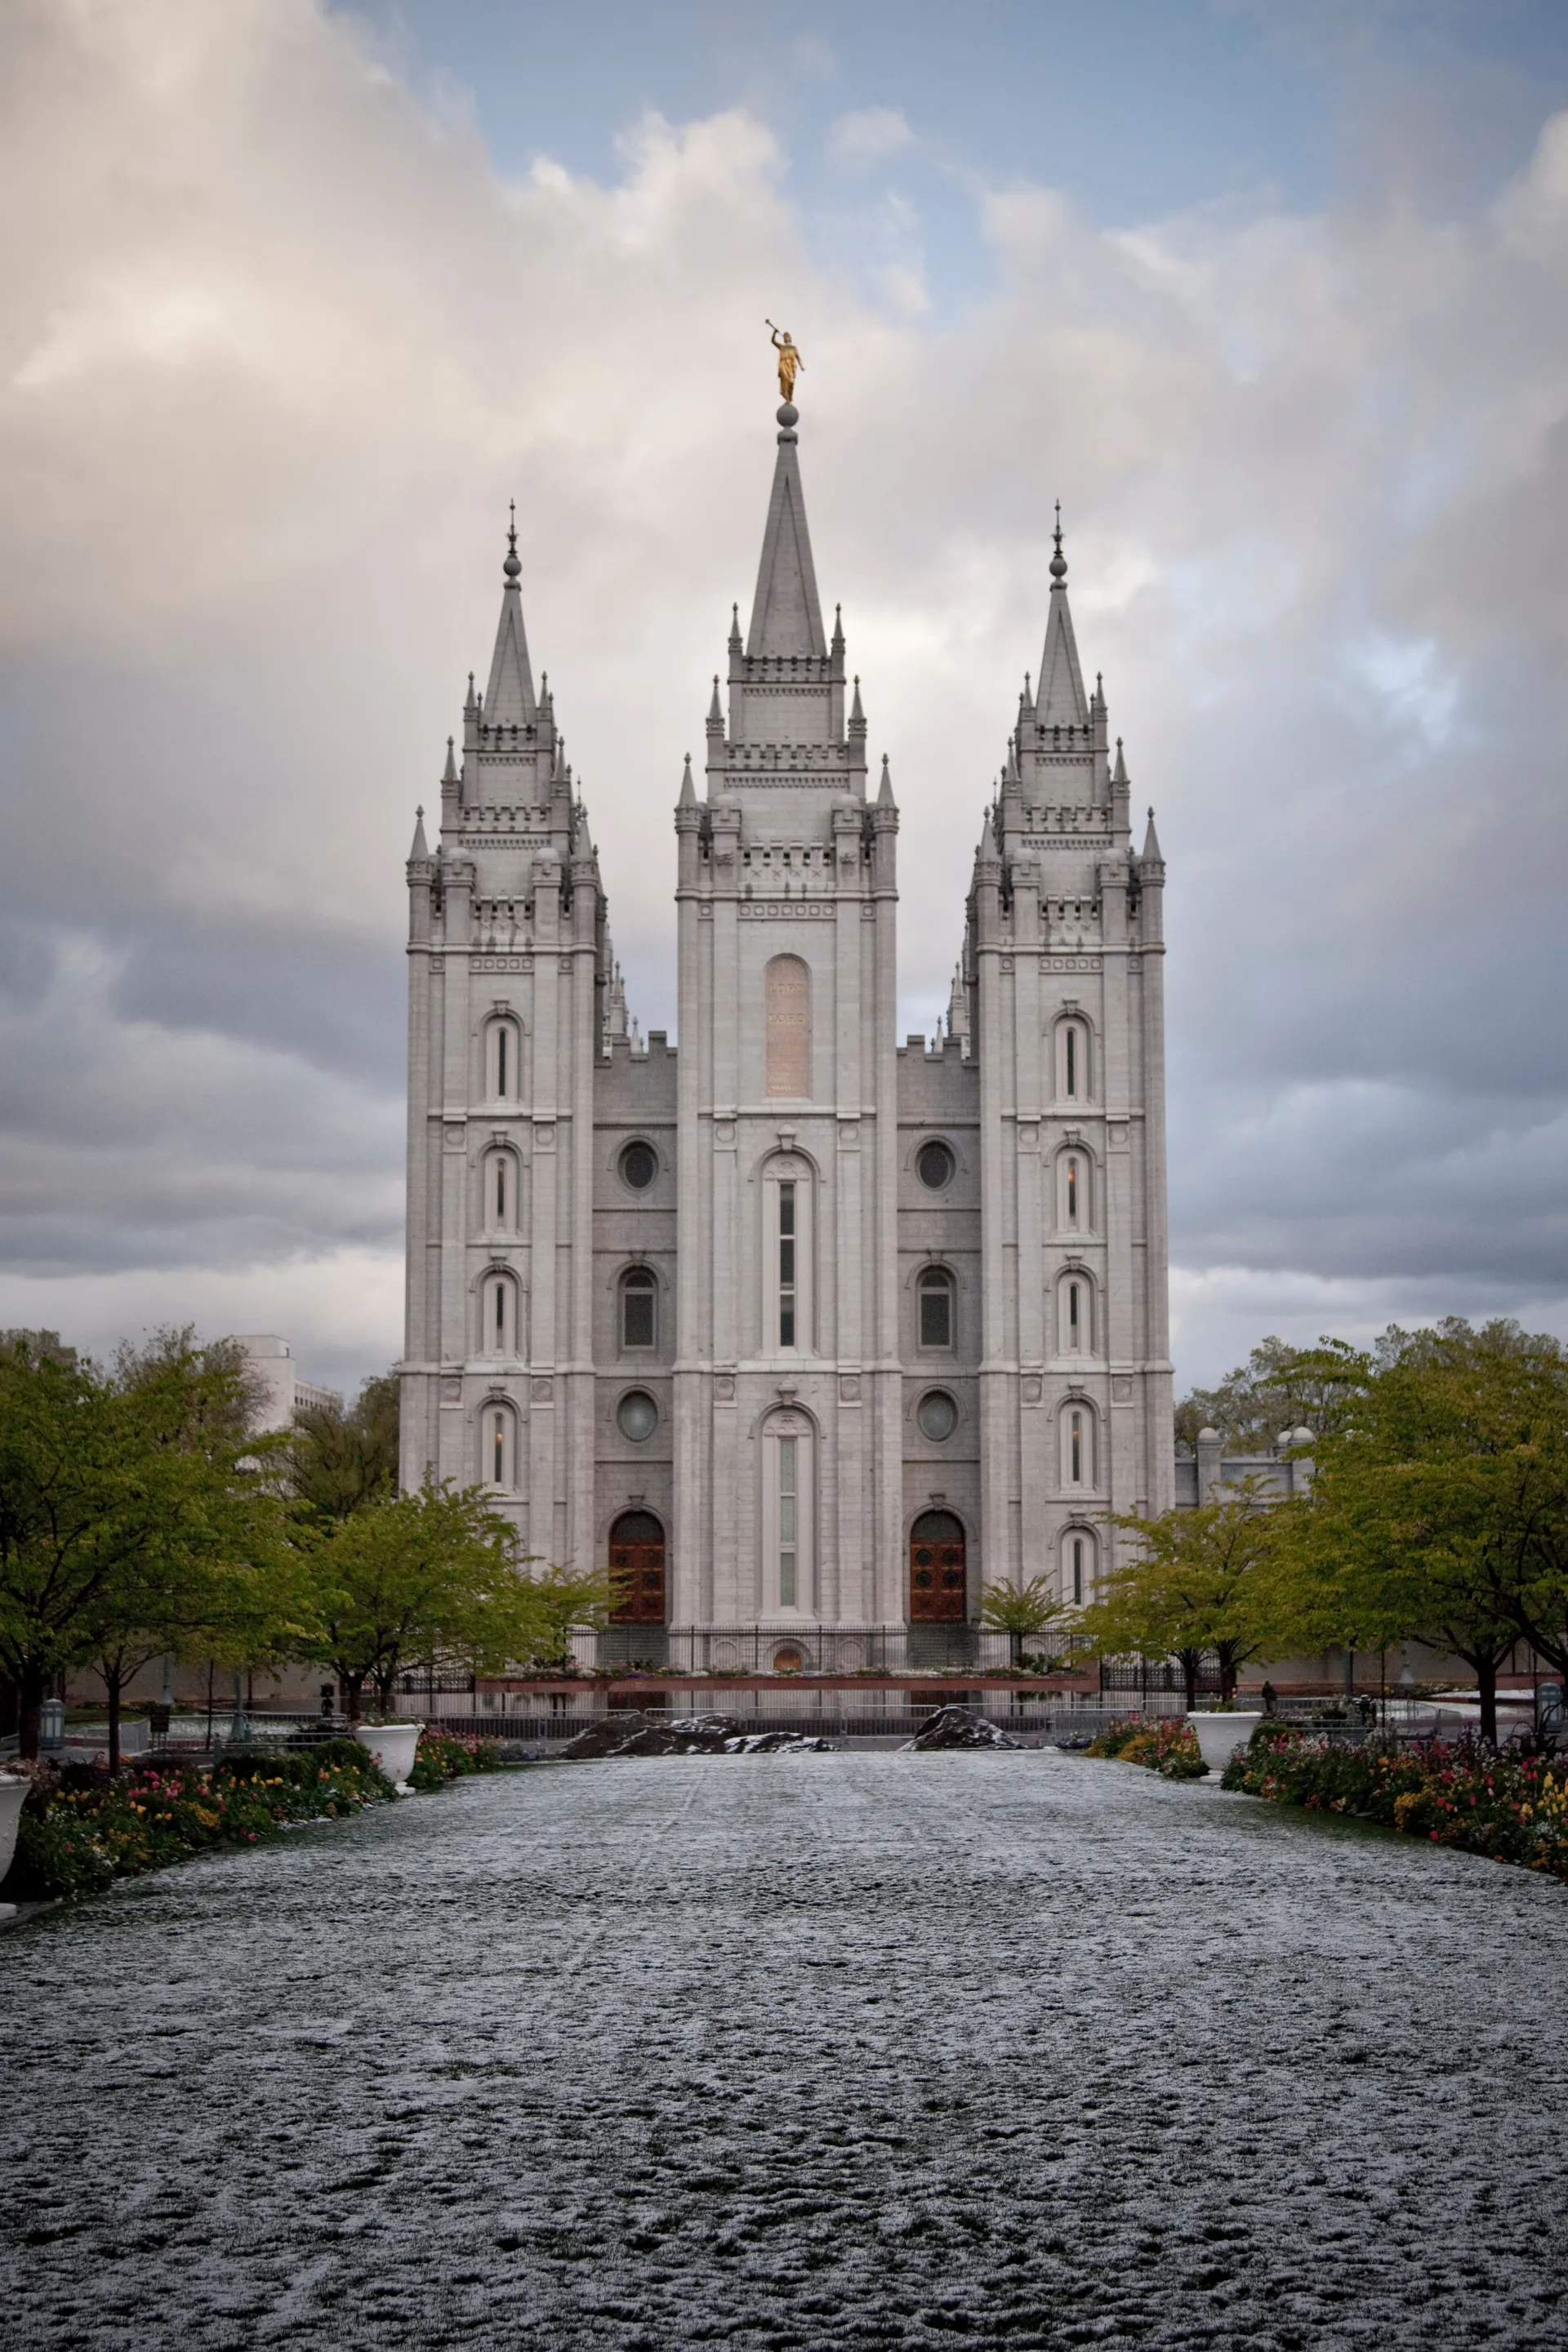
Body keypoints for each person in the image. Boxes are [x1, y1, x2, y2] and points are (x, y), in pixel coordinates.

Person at [767, 320, 802, 403]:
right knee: (785, 382)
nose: (786, 338)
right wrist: (774, 333)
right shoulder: (782, 347)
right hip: (783, 365)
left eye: (787, 337)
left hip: (791, 366)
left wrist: (801, 366)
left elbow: (798, 358)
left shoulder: (794, 348)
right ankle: (786, 398)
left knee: (791, 382)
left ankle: (789, 397)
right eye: (785, 337)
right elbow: (773, 341)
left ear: (790, 338)